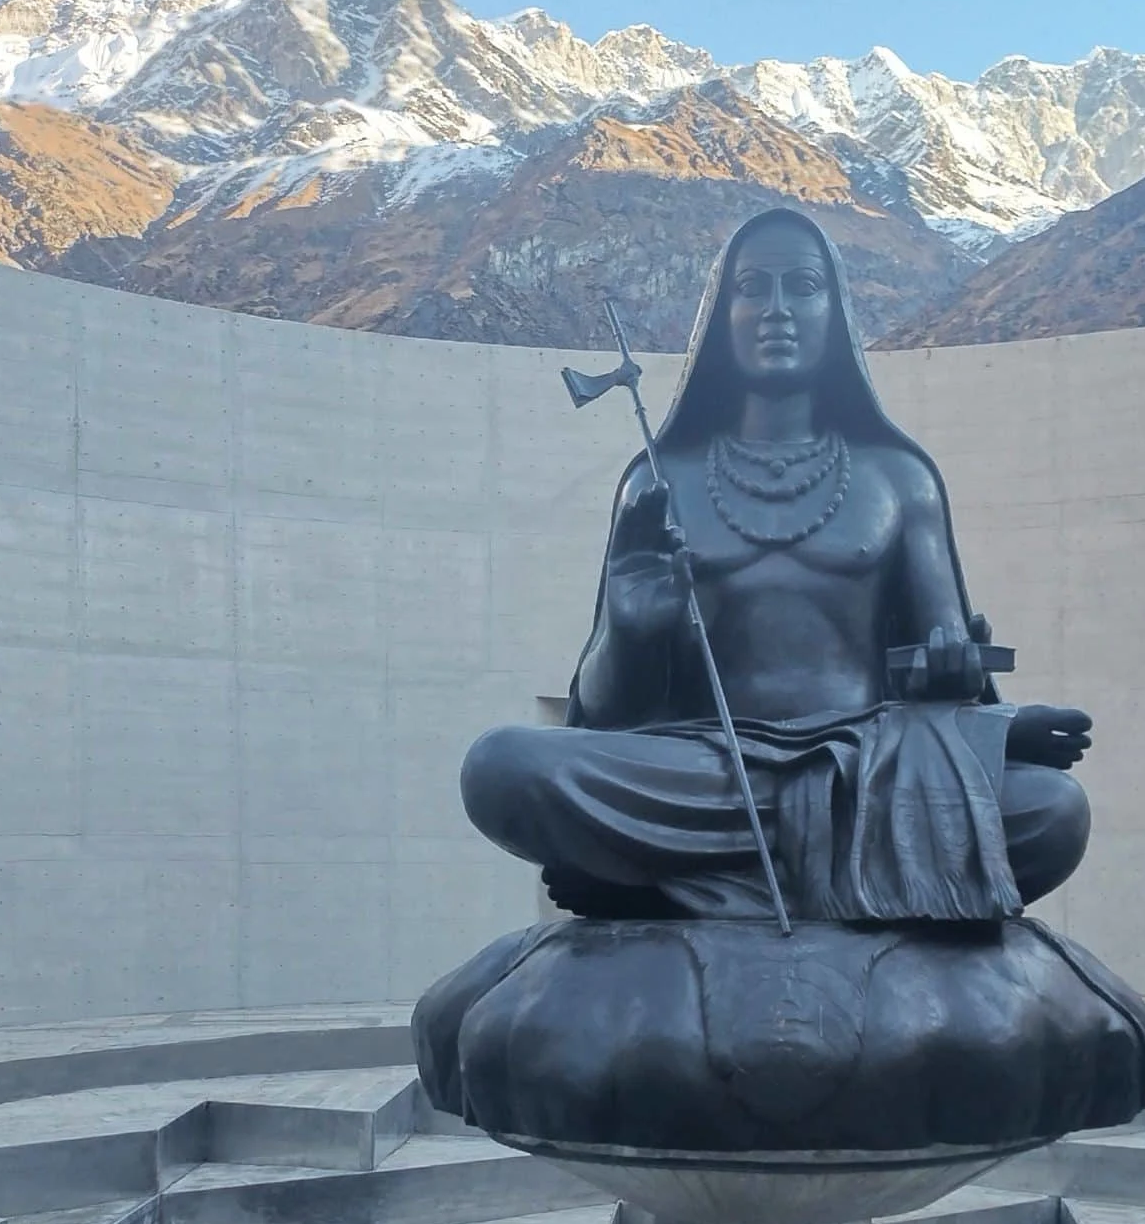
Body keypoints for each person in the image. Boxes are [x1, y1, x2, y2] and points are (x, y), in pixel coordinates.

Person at [461, 208, 1098, 924]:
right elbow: (605, 715)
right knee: (502, 768)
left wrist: (995, 719)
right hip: (707, 769)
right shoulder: (660, 480)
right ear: (720, 316)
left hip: (867, 770)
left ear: (835, 312)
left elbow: (945, 680)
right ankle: (819, 878)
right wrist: (632, 631)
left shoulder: (900, 478)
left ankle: (669, 882)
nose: (777, 311)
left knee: (1051, 810)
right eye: (752, 288)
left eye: (802, 287)